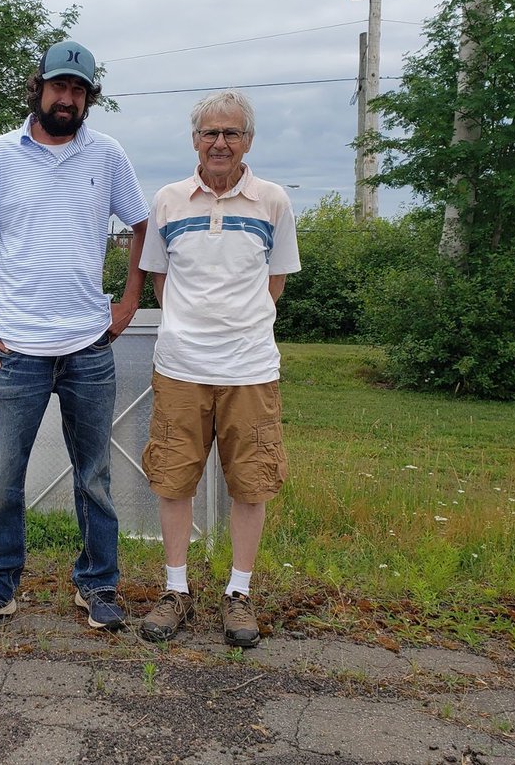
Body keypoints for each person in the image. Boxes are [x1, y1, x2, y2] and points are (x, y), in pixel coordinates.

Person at [0, 40, 149, 639]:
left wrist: (129, 301)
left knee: (94, 476)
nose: (67, 98)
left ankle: (98, 586)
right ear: (38, 88)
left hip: (89, 344)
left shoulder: (107, 155)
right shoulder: (0, 155)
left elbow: (142, 225)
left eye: (79, 91)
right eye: (59, 87)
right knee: (6, 475)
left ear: (88, 99)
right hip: (16, 348)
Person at [137, 89, 300, 647]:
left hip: (250, 369)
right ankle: (176, 590)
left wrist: (240, 329)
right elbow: (161, 281)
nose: (220, 143)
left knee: (250, 484)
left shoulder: (273, 202)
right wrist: (191, 327)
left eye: (232, 133)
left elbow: (275, 283)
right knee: (174, 477)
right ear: (194, 141)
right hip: (180, 366)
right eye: (211, 133)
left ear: (248, 141)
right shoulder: (168, 201)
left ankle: (239, 593)